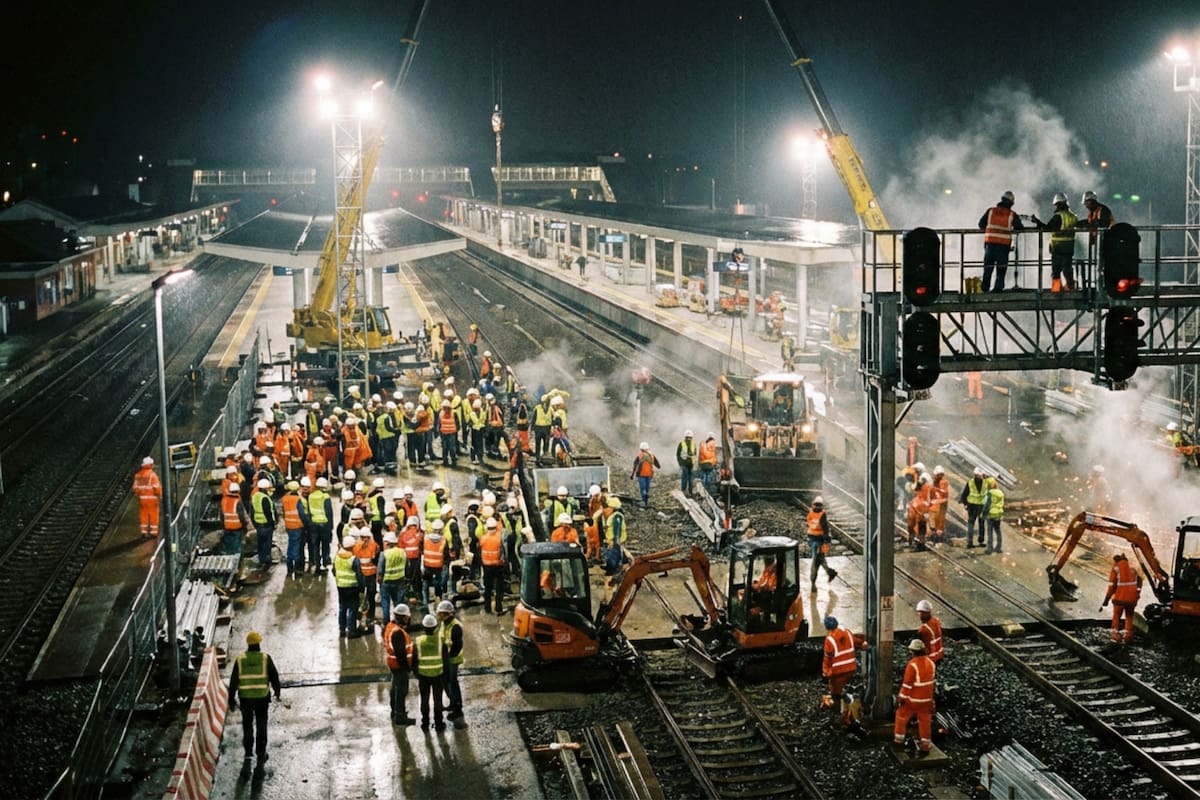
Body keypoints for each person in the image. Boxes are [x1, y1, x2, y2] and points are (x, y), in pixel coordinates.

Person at [227, 631, 282, 763]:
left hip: (245, 699)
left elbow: (233, 680)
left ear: (248, 644)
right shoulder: (265, 658)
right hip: (262, 698)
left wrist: (231, 699)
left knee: (247, 725)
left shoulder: (240, 659)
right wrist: (277, 692)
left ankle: (248, 753)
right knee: (261, 725)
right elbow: (274, 676)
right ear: (258, 644)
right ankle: (261, 753)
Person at [893, 638, 936, 757]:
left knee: (901, 715)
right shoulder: (931, 663)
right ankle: (925, 745)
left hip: (914, 700)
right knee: (925, 721)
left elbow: (907, 685)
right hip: (927, 700)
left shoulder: (912, 665)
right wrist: (931, 700)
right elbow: (932, 683)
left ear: (913, 651)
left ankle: (899, 740)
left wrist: (901, 698)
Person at [977, 190, 1026, 292]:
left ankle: (984, 289)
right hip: (1003, 247)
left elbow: (981, 224)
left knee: (988, 268)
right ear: (1012, 203)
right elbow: (1020, 228)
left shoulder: (991, 211)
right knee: (1001, 269)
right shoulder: (1012, 214)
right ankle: (997, 289)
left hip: (990, 245)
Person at [1031, 193, 1078, 292]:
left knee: (1056, 272)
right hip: (1069, 249)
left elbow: (1047, 228)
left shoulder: (1058, 216)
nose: (1055, 206)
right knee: (1068, 270)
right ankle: (1071, 288)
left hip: (1057, 249)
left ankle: (1056, 290)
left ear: (1059, 204)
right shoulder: (1073, 216)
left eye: (1056, 204)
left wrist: (1037, 222)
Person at [821, 616, 867, 717]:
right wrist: (863, 643)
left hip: (838, 671)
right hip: (851, 668)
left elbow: (827, 658)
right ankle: (847, 704)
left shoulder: (829, 639)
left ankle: (841, 713)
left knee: (835, 692)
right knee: (840, 688)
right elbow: (856, 642)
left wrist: (825, 673)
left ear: (827, 627)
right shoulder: (848, 632)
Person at [382, 605, 415, 725]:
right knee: (401, 690)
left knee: (395, 688)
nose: (408, 620)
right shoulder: (398, 633)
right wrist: (407, 667)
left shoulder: (390, 627)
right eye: (406, 617)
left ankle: (394, 711)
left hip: (393, 663)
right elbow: (401, 653)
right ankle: (400, 716)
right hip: (399, 665)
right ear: (402, 617)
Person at [412, 614, 446, 730]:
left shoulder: (418, 641)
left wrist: (416, 673)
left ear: (424, 627)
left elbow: (414, 660)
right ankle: (439, 723)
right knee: (438, 700)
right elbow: (446, 659)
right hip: (438, 675)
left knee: (424, 700)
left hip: (423, 676)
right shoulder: (441, 641)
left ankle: (425, 723)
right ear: (435, 627)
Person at [1102, 553, 1141, 644]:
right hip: (1132, 600)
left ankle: (1115, 638)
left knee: (1116, 616)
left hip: (1120, 599)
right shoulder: (1133, 570)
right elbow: (1139, 583)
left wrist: (1106, 600)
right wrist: (1136, 596)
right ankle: (1127, 637)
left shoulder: (1116, 569)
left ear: (1116, 561)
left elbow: (1111, 587)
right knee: (1129, 617)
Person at [437, 600, 465, 722]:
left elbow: (457, 645)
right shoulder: (445, 624)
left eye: (441, 614)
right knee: (447, 681)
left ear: (448, 614)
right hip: (446, 658)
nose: (439, 616)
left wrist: (449, 657)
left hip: (452, 659)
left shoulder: (455, 626)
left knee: (452, 682)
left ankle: (457, 708)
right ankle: (452, 703)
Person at [333, 534, 364, 637]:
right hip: (352, 587)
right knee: (352, 608)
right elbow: (359, 575)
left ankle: (342, 629)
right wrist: (362, 588)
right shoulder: (354, 559)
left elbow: (334, 570)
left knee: (342, 607)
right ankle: (351, 631)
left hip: (340, 586)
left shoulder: (337, 556)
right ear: (351, 547)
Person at [806, 496, 838, 591]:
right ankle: (830, 572)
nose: (817, 507)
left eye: (819, 505)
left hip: (819, 541)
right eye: (816, 505)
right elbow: (810, 524)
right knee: (820, 559)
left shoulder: (821, 515)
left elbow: (825, 528)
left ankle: (813, 582)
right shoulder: (811, 513)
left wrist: (825, 541)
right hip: (812, 540)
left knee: (815, 561)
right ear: (813, 505)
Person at [378, 531, 407, 624]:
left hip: (386, 582)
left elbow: (380, 570)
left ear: (387, 543)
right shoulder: (402, 552)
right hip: (400, 581)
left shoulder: (384, 554)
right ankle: (399, 620)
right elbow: (407, 566)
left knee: (385, 602)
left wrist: (379, 581)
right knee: (398, 602)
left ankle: (386, 622)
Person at [479, 517, 507, 615]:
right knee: (499, 588)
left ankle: (487, 608)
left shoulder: (483, 538)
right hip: (498, 565)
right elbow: (504, 551)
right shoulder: (499, 538)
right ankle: (498, 608)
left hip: (486, 566)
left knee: (488, 588)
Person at [131, 456, 162, 539]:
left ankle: (144, 532)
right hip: (152, 500)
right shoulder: (153, 476)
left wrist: (139, 495)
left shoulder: (138, 475)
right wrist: (159, 495)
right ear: (150, 465)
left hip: (142, 500)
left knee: (143, 515)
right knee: (153, 515)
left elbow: (135, 488)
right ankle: (153, 532)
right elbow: (157, 488)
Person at [280, 480, 306, 576]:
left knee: (291, 545)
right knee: (297, 547)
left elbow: (283, 512)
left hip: (289, 525)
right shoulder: (297, 500)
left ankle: (289, 566)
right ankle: (297, 567)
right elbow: (302, 514)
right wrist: (306, 524)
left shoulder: (284, 499)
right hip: (298, 526)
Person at [250, 478, 277, 568]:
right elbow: (268, 512)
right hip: (266, 525)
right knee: (267, 543)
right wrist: (273, 524)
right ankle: (266, 561)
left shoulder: (255, 496)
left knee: (261, 543)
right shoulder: (265, 498)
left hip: (258, 524)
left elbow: (252, 511)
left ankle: (261, 559)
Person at [959, 467, 988, 548]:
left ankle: (970, 542)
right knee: (981, 524)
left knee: (971, 524)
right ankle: (981, 540)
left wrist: (965, 503)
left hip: (972, 506)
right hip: (981, 506)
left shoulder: (970, 482)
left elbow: (965, 493)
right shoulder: (985, 483)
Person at [220, 482, 251, 557]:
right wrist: (245, 526)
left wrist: (223, 525)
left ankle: (228, 557)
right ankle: (236, 559)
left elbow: (221, 515)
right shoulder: (237, 501)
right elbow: (241, 515)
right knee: (237, 545)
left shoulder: (224, 500)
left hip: (227, 526)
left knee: (228, 543)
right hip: (237, 526)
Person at [630, 442, 661, 509]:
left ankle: (643, 500)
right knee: (647, 487)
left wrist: (633, 474)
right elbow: (657, 464)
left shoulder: (640, 455)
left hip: (641, 474)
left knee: (642, 487)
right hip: (649, 474)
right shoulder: (651, 455)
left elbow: (635, 465)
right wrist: (658, 467)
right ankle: (645, 500)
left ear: (641, 448)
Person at [915, 599, 944, 664]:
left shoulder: (923, 629)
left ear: (927, 612)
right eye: (919, 612)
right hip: (939, 654)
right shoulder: (936, 620)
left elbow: (921, 648)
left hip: (930, 659)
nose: (920, 615)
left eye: (922, 612)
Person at [927, 466, 949, 544]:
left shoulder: (944, 482)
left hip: (941, 505)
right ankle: (932, 538)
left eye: (940, 475)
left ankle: (939, 539)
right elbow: (929, 493)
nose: (939, 476)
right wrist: (929, 501)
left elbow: (944, 493)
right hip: (934, 505)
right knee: (933, 522)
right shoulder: (932, 482)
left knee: (940, 522)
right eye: (938, 475)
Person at [983, 476, 1004, 554]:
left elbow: (987, 505)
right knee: (998, 531)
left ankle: (990, 549)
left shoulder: (989, 493)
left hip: (990, 515)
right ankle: (999, 547)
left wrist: (983, 514)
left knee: (990, 532)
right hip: (998, 514)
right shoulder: (1000, 493)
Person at [676, 430, 697, 494]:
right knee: (691, 477)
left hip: (684, 463)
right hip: (691, 463)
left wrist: (679, 463)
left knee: (684, 477)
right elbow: (695, 453)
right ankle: (691, 491)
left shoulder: (681, 443)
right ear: (692, 436)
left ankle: (684, 491)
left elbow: (678, 454)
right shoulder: (693, 444)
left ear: (685, 436)